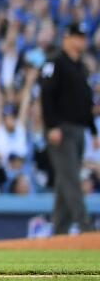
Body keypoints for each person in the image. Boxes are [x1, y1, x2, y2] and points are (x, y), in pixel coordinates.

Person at [40, 23, 96, 234]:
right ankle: (86, 226)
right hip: (61, 130)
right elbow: (46, 96)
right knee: (72, 179)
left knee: (65, 183)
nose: (82, 41)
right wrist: (52, 126)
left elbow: (86, 101)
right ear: (67, 37)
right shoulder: (55, 62)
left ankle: (59, 231)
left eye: (83, 37)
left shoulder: (80, 66)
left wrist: (93, 130)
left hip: (79, 129)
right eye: (78, 36)